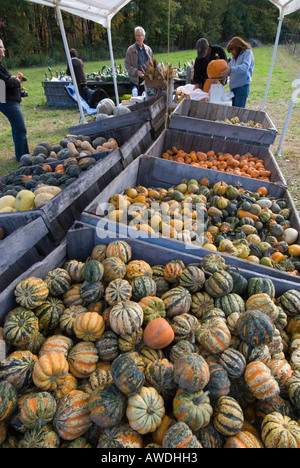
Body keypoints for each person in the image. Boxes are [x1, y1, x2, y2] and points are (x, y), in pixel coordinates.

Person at [0, 39, 29, 161]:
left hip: (7, 99)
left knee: (16, 127)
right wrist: (16, 81)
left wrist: (14, 79)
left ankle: (21, 154)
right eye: (1, 47)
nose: (4, 49)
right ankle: (23, 156)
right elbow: (3, 83)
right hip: (7, 101)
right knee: (20, 127)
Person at [219, 37, 255, 108]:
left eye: (232, 50)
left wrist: (230, 69)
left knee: (238, 111)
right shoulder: (234, 57)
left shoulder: (247, 52)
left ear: (237, 47)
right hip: (233, 88)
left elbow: (245, 67)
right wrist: (222, 75)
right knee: (233, 110)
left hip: (242, 87)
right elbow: (229, 69)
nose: (232, 53)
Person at [125, 27, 153, 96]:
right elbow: (127, 65)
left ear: (143, 37)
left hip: (147, 80)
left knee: (147, 100)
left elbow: (152, 65)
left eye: (139, 35)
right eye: (136, 35)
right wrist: (136, 72)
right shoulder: (130, 50)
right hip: (135, 81)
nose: (137, 37)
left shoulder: (148, 49)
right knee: (137, 102)